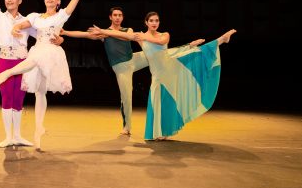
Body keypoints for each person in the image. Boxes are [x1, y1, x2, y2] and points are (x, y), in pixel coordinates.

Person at [90, 13, 235, 141]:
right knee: (160, 102)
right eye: (151, 20)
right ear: (146, 22)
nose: (154, 23)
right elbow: (124, 36)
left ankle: (222, 39)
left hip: (170, 68)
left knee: (197, 53)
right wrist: (103, 31)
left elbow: (161, 43)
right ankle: (161, 132)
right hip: (158, 74)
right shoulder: (140, 37)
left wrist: (187, 45)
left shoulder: (164, 34)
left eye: (156, 20)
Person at [0, 0, 82, 150]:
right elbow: (23, 24)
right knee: (39, 91)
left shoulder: (61, 16)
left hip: (50, 52)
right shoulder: (35, 17)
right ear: (44, 0)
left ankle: (8, 73)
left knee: (36, 69)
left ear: (58, 1)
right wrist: (16, 28)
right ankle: (38, 130)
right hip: (38, 48)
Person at [60, 7, 149, 136]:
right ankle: (127, 126)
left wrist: (105, 32)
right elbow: (84, 34)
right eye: (115, 15)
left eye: (120, 15)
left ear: (122, 17)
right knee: (126, 97)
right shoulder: (103, 34)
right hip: (122, 68)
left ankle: (177, 55)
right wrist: (65, 32)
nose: (117, 17)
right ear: (110, 17)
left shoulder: (127, 30)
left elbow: (129, 37)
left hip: (134, 59)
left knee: (155, 55)